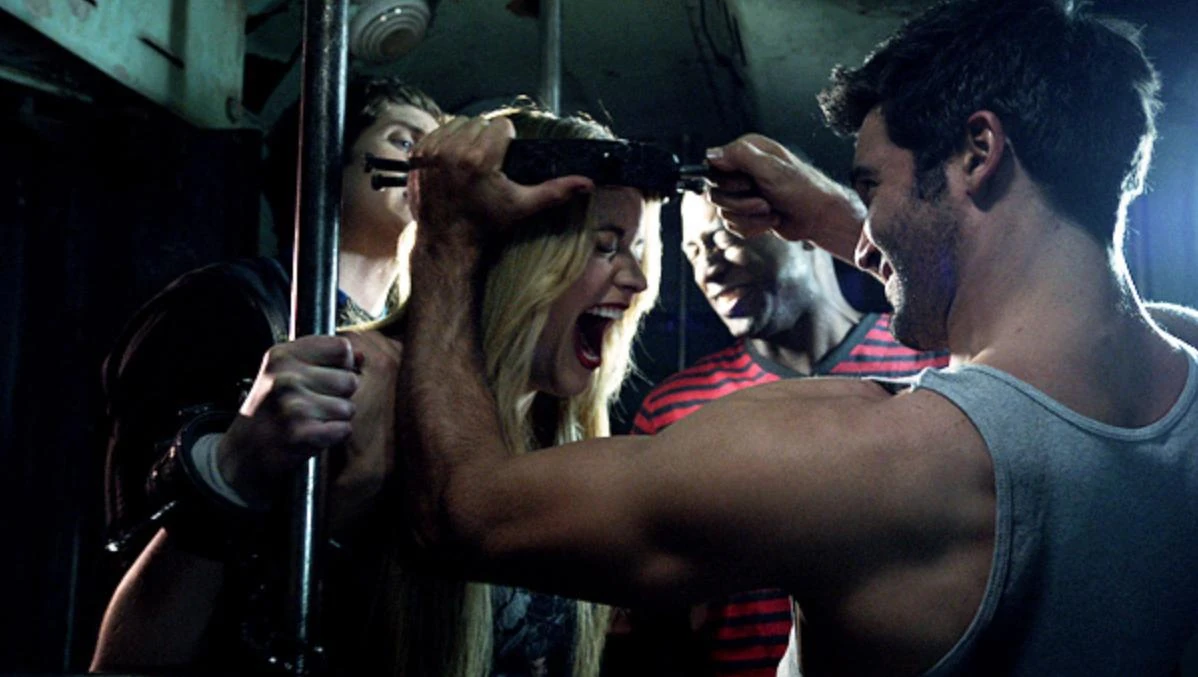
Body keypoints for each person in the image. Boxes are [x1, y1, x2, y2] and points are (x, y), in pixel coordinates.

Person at [390, 1, 1198, 675]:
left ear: (977, 152)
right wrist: (837, 218)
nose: (867, 220)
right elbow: (1089, 314)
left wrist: (446, 242)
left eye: (871, 186)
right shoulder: (1181, 378)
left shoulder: (867, 456)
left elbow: (465, 515)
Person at [92, 103, 665, 677]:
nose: (637, 281)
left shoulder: (560, 431)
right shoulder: (361, 389)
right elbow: (129, 663)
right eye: (605, 245)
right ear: (515, 251)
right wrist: (236, 474)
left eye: (636, 250)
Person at [91, 74, 444, 670]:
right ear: (326, 157)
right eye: (405, 141)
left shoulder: (422, 342)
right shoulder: (225, 306)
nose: (432, 166)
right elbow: (146, 530)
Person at [609, 190, 947, 676]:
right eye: (694, 251)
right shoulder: (674, 411)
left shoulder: (932, 365)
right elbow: (650, 629)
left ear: (803, 231)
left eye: (724, 239)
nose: (708, 268)